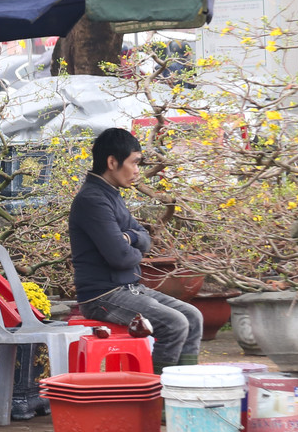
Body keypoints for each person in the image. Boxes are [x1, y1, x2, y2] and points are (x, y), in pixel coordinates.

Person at [69, 128, 202, 372]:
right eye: (134, 163)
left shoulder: (113, 195)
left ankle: (184, 388)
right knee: (174, 324)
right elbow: (121, 258)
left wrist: (128, 238)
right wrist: (134, 247)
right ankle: (157, 396)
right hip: (103, 296)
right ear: (112, 162)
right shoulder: (93, 200)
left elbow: (144, 237)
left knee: (193, 317)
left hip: (129, 289)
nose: (138, 170)